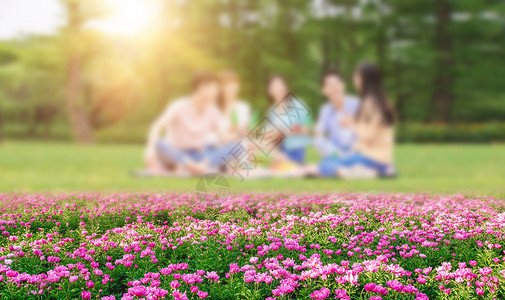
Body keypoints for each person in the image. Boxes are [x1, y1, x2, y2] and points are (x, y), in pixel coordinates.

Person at [144, 71, 233, 176]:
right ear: (201, 88)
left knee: (237, 146)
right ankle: (191, 165)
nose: (216, 94)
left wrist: (238, 137)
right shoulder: (179, 105)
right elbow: (157, 126)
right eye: (214, 90)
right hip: (177, 153)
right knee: (159, 144)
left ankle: (199, 165)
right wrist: (150, 148)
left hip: (200, 156)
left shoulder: (212, 109)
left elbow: (223, 137)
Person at [319, 62, 395, 178]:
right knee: (334, 159)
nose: (355, 80)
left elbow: (368, 136)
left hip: (372, 157)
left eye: (357, 77)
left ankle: (353, 173)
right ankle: (372, 171)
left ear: (364, 80)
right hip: (381, 158)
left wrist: (351, 125)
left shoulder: (368, 103)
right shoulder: (380, 101)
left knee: (326, 164)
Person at [266, 75, 311, 165]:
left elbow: (307, 129)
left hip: (295, 148)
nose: (278, 89)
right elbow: (268, 135)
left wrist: (286, 130)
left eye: (280, 86)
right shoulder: (271, 111)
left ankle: (292, 165)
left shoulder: (297, 105)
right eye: (274, 86)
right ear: (269, 90)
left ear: (285, 88)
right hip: (278, 149)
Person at [314, 70, 360, 158]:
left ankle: (344, 161)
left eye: (336, 83)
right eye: (330, 85)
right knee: (318, 141)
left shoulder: (356, 104)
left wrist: (351, 124)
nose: (334, 88)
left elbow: (368, 133)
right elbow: (319, 131)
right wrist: (318, 131)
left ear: (343, 85)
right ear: (324, 91)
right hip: (338, 151)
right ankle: (341, 159)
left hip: (357, 148)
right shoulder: (326, 110)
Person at [217, 70, 250, 141]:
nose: (232, 87)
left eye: (234, 83)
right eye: (228, 84)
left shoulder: (243, 107)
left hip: (238, 147)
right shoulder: (214, 108)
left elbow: (245, 134)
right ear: (221, 87)